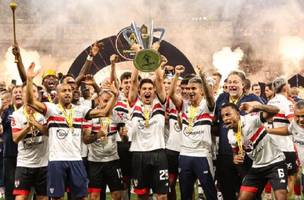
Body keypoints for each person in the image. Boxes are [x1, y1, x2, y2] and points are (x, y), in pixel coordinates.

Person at [25, 63, 118, 200]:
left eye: (70, 90)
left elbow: (104, 111)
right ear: (57, 93)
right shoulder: (51, 109)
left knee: (80, 197)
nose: (68, 93)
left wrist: (115, 95)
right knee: (57, 197)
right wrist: (29, 80)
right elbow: (31, 101)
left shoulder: (80, 110)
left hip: (76, 159)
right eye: (64, 90)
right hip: (57, 160)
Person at [221, 102, 287, 200]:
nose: (225, 118)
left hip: (275, 162)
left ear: (238, 114)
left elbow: (275, 110)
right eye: (223, 116)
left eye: (228, 114)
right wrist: (235, 157)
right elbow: (235, 151)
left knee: (280, 195)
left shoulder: (250, 120)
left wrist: (257, 107)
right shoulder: (230, 135)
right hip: (257, 167)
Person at [169, 65, 217, 200]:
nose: (189, 91)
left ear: (201, 91)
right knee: (185, 194)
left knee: (210, 193)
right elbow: (171, 94)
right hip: (184, 155)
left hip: (202, 154)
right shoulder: (184, 105)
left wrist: (202, 76)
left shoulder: (207, 106)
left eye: (193, 88)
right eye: (188, 89)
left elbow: (210, 95)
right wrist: (176, 75)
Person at [215, 70, 263, 200]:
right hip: (226, 154)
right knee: (227, 191)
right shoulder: (221, 98)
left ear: (243, 85)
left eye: (235, 82)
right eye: (229, 82)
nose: (232, 85)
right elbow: (216, 122)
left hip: (248, 155)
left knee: (251, 193)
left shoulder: (253, 99)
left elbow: (263, 120)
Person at [128, 49, 168, 199]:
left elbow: (159, 79)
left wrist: (154, 54)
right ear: (139, 91)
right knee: (142, 194)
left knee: (162, 195)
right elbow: (133, 81)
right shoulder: (134, 103)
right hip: (138, 153)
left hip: (158, 152)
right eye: (144, 88)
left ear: (154, 91)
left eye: (150, 89)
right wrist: (138, 56)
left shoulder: (160, 103)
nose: (147, 91)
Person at [11, 84, 48, 200]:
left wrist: (36, 124)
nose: (31, 94)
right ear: (22, 95)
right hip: (24, 164)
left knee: (43, 198)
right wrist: (28, 127)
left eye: (34, 91)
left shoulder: (45, 112)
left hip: (43, 164)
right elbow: (15, 138)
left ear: (38, 94)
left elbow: (49, 133)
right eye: (27, 92)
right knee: (20, 198)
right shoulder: (17, 114)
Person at [86, 89, 124, 200]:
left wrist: (123, 135)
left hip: (113, 161)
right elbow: (86, 139)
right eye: (105, 101)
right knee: (94, 196)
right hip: (95, 162)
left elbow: (124, 138)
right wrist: (98, 135)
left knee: (117, 195)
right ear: (98, 100)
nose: (108, 104)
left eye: (110, 101)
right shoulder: (90, 116)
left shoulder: (116, 115)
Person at [266, 77, 298, 197]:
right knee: (291, 176)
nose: (290, 86)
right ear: (285, 87)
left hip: (271, 147)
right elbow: (294, 125)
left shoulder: (269, 102)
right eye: (288, 84)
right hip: (285, 146)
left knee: (277, 180)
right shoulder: (286, 103)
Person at [267, 100, 304, 200]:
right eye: (297, 116)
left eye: (303, 116)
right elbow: (288, 130)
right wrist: (268, 130)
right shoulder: (295, 125)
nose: (301, 120)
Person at [1, 86, 23, 200]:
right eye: (15, 92)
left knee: (23, 187)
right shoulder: (7, 111)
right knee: (10, 185)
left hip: (25, 155)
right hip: (10, 154)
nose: (18, 94)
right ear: (12, 96)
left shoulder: (28, 110)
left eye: (20, 92)